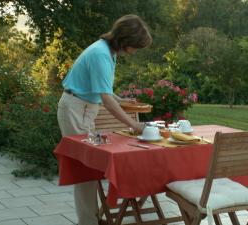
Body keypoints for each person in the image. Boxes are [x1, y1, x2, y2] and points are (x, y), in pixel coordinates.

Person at [57, 14, 152, 225]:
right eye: (136, 46)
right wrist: (134, 124)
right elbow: (106, 100)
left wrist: (122, 99)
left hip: (84, 109)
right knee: (84, 171)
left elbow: (104, 89)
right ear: (126, 41)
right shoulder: (101, 54)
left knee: (90, 168)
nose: (135, 51)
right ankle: (88, 221)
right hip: (76, 109)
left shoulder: (108, 51)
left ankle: (92, 218)